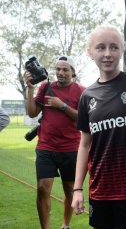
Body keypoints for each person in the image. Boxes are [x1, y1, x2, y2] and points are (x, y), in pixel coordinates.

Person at [71, 25, 126, 229]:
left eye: (114, 47)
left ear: (122, 50)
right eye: (100, 48)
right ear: (91, 53)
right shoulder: (87, 96)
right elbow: (84, 145)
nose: (108, 54)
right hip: (101, 192)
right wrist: (77, 189)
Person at [24, 56, 85, 229]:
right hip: (46, 147)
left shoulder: (81, 91)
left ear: (73, 72)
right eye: (58, 69)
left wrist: (62, 106)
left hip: (71, 148)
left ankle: (65, 225)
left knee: (69, 191)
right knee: (42, 189)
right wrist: (30, 89)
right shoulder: (45, 87)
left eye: (65, 69)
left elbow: (84, 119)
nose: (60, 72)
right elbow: (32, 113)